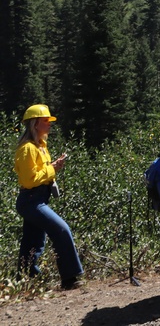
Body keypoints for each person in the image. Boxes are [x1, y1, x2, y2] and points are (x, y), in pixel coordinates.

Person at [14, 104, 84, 290]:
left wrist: (53, 166)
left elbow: (39, 173)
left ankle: (24, 281)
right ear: (35, 124)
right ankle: (70, 278)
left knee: (33, 242)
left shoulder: (40, 146)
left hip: (36, 199)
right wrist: (52, 168)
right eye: (46, 121)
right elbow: (29, 180)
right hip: (31, 200)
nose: (49, 125)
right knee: (61, 230)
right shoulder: (27, 149)